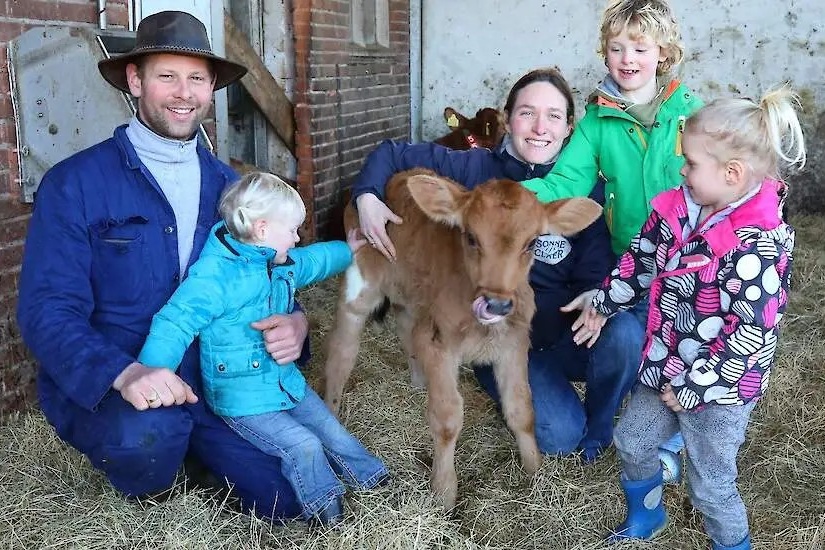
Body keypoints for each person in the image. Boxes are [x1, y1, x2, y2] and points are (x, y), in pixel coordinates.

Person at [16, 11, 309, 519]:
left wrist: (297, 323)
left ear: (211, 87)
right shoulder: (74, 184)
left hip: (214, 380)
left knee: (289, 495)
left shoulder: (231, 189)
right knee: (149, 440)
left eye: (197, 78)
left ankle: (204, 458)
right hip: (120, 380)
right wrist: (125, 372)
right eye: (166, 76)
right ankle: (163, 473)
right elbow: (47, 310)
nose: (184, 93)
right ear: (135, 80)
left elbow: (268, 278)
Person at [353, 67, 638, 463]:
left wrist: (594, 290)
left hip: (565, 331)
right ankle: (559, 410)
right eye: (527, 113)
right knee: (559, 437)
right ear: (507, 119)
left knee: (626, 334)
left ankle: (601, 428)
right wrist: (366, 198)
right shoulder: (474, 171)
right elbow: (391, 153)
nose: (540, 128)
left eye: (554, 116)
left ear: (569, 128)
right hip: (496, 335)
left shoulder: (583, 188)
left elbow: (596, 259)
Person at [581, 86, 805, 550]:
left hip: (720, 389)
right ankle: (647, 514)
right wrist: (604, 301)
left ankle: (733, 544)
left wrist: (695, 387)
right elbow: (640, 262)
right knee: (632, 441)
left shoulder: (755, 247)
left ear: (731, 173)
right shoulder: (675, 209)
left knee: (711, 486)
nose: (681, 169)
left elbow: (751, 334)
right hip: (666, 362)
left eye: (691, 162)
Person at [137, 173, 388, 524]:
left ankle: (374, 481)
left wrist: (347, 250)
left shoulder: (278, 263)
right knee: (303, 445)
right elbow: (175, 322)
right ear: (263, 228)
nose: (298, 238)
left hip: (284, 380)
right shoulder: (215, 277)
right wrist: (151, 370)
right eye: (293, 230)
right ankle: (327, 512)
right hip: (242, 398)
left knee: (330, 429)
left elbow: (312, 261)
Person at [520, 0, 703, 478]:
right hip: (636, 268)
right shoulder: (597, 123)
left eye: (640, 48)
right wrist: (502, 199)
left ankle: (679, 434)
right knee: (623, 336)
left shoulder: (692, 114)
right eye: (617, 48)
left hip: (697, 265)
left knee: (695, 347)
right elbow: (564, 185)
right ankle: (600, 424)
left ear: (663, 53)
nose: (627, 59)